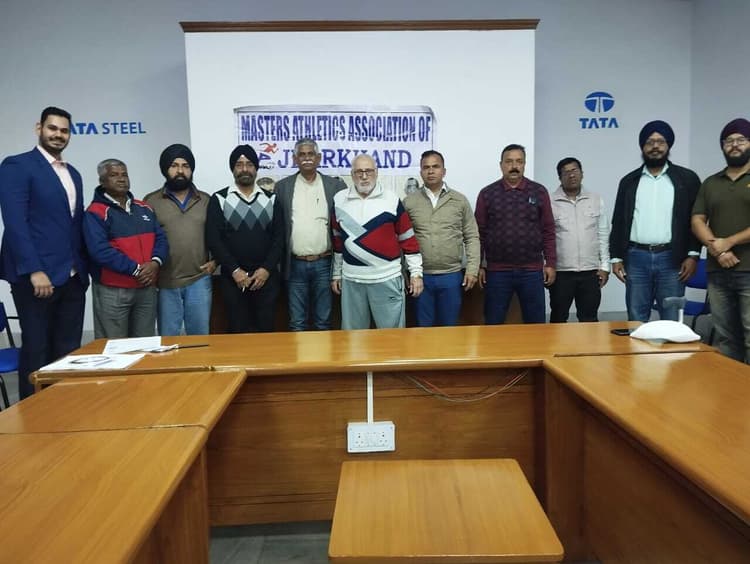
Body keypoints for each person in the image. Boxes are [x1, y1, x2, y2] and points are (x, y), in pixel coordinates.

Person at [0, 107, 89, 399]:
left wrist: (83, 270)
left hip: (72, 277)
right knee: (37, 351)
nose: (58, 135)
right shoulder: (17, 166)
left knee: (68, 352)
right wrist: (34, 270)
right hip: (36, 278)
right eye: (53, 128)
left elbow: (73, 226)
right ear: (39, 128)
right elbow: (15, 222)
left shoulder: (73, 174)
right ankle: (33, 415)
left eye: (64, 130)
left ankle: (63, 409)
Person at [610, 120, 701, 321]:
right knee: (636, 317)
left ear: (668, 146)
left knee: (671, 318)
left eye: (661, 141)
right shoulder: (629, 181)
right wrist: (615, 258)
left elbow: (697, 220)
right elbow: (618, 221)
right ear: (642, 147)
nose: (655, 146)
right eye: (650, 142)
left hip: (672, 258)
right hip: (636, 258)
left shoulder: (687, 179)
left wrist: (693, 255)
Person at [331, 154, 423, 329]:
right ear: (352, 174)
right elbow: (337, 242)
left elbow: (408, 239)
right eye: (359, 172)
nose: (364, 176)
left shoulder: (391, 199)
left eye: (369, 171)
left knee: (392, 338)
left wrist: (416, 273)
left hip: (387, 278)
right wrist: (336, 274)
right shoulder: (339, 200)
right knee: (353, 339)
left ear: (377, 172)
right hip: (352, 281)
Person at [84, 159, 168, 338]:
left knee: (144, 344)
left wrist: (155, 263)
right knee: (114, 346)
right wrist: (136, 269)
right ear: (102, 181)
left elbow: (161, 238)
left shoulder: (144, 208)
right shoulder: (95, 212)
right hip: (113, 291)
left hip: (146, 288)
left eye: (124, 174)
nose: (121, 179)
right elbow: (100, 251)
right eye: (114, 175)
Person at [206, 145, 283, 333]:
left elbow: (279, 238)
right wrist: (234, 270)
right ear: (233, 169)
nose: (245, 169)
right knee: (237, 331)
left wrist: (265, 269)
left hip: (265, 278)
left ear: (256, 168)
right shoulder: (220, 199)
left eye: (249, 164)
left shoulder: (271, 199)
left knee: (266, 331)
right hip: (233, 279)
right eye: (239, 165)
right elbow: (214, 239)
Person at [475, 144, 556, 324]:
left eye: (519, 161)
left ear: (524, 164)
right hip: (497, 272)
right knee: (493, 323)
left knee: (535, 324)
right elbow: (478, 233)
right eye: (509, 161)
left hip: (532, 271)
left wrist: (550, 263)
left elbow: (548, 230)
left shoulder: (539, 191)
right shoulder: (487, 194)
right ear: (501, 165)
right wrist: (478, 265)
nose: (514, 166)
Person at [692, 118, 750, 363]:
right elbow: (697, 219)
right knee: (726, 338)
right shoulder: (711, 182)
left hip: (749, 271)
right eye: (729, 141)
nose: (734, 145)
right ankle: (732, 386)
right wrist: (718, 249)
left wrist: (729, 242)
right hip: (718, 272)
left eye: (741, 140)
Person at [274, 138, 346, 331]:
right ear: (294, 159)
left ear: (319, 158)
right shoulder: (282, 187)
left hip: (324, 263)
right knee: (297, 322)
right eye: (302, 154)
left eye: (311, 154)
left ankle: (323, 352)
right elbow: (277, 228)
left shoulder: (335, 186)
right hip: (294, 264)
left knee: (323, 321)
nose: (306, 158)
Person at [144, 144, 215, 336]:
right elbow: (146, 241)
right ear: (165, 169)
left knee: (200, 338)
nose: (180, 171)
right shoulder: (151, 201)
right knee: (168, 340)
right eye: (174, 166)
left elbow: (218, 236)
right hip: (166, 282)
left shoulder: (206, 200)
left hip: (199, 279)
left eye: (185, 166)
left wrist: (215, 261)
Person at [403, 150, 479, 326]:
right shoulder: (409, 202)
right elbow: (401, 240)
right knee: (423, 328)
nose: (431, 171)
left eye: (435, 166)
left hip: (451, 275)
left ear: (444, 171)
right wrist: (403, 272)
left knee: (449, 327)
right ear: (421, 172)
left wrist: (472, 269)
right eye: (426, 167)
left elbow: (472, 236)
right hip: (420, 277)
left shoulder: (459, 201)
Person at [548, 157, 610, 322]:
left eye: (574, 170)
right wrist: (547, 265)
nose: (571, 175)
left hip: (590, 272)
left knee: (589, 319)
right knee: (558, 318)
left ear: (582, 173)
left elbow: (603, 234)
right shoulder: (549, 202)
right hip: (561, 273)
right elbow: (545, 237)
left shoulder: (596, 199)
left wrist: (605, 266)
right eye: (566, 172)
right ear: (559, 177)